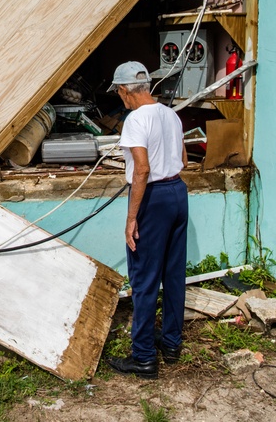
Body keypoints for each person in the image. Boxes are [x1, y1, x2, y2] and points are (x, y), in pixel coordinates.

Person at [105, 61, 189, 380]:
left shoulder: (135, 119)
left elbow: (141, 170)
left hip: (152, 197)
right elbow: (181, 159)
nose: (120, 98)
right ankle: (170, 344)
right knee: (173, 273)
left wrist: (131, 218)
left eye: (119, 92)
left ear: (126, 90)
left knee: (143, 278)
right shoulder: (171, 114)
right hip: (177, 193)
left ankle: (142, 358)